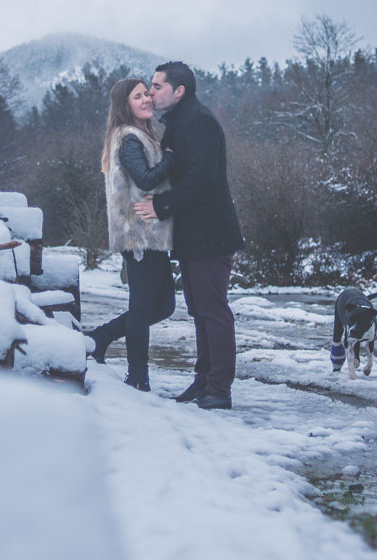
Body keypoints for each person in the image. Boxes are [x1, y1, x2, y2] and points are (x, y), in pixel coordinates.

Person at [133, 62, 245, 410]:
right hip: (195, 235)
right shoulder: (181, 122)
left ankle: (219, 389)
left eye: (157, 86)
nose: (151, 92)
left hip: (211, 234)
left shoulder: (198, 122)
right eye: (150, 86)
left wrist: (161, 205)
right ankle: (203, 382)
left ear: (179, 91)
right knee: (200, 311)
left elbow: (201, 179)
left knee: (213, 312)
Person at [86, 78, 176, 392]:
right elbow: (146, 179)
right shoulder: (128, 138)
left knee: (164, 306)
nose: (146, 99)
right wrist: (173, 157)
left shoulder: (140, 136)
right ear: (125, 104)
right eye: (138, 96)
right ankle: (137, 377)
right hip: (139, 234)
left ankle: (100, 337)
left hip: (151, 234)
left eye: (147, 94)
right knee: (142, 307)